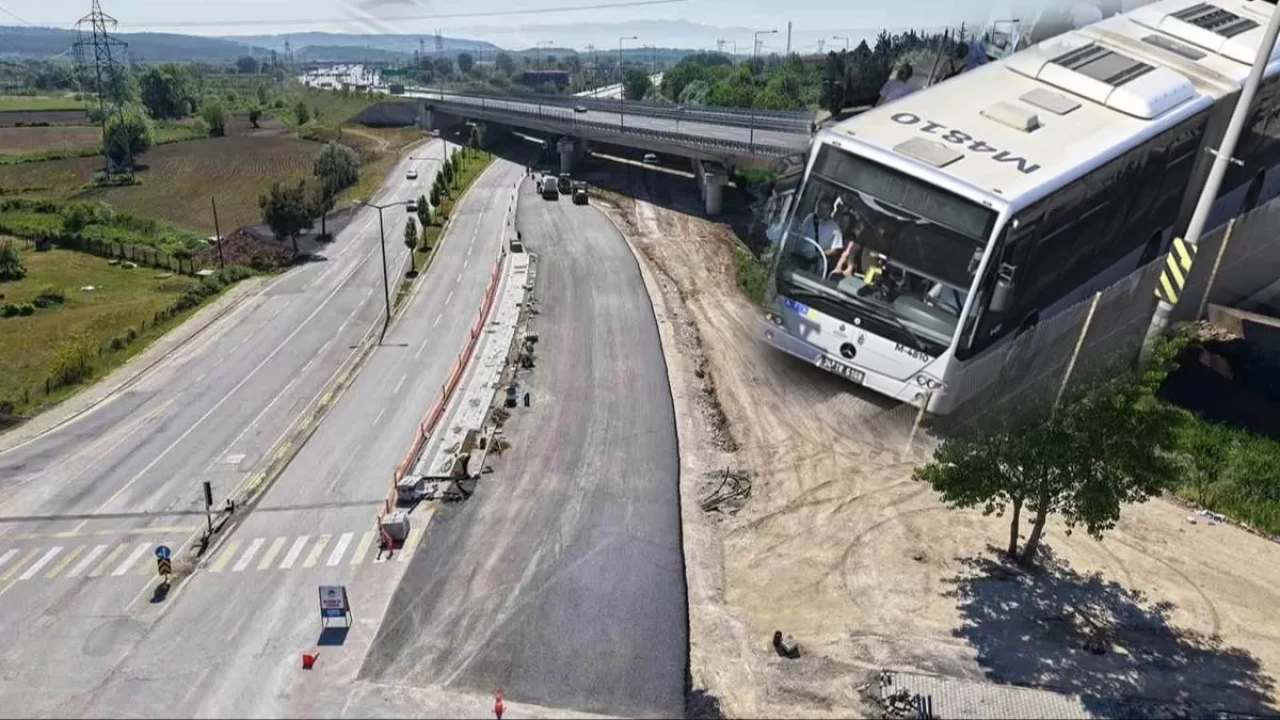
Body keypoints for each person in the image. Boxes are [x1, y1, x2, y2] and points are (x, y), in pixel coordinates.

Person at [798, 195, 844, 274]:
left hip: (817, 265)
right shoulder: (810, 218)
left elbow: (834, 250)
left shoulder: (835, 228)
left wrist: (817, 254)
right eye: (821, 208)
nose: (823, 211)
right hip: (800, 257)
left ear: (831, 210)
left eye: (826, 209)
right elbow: (801, 234)